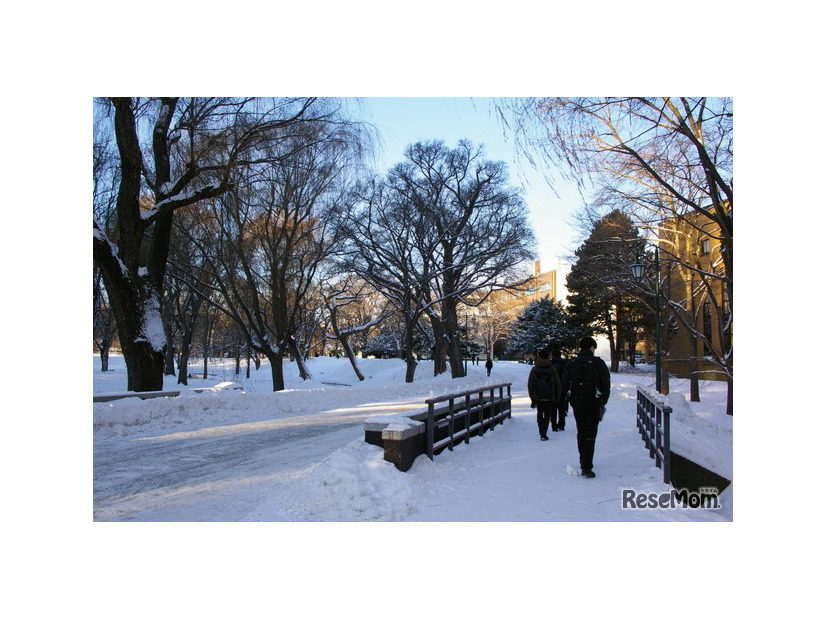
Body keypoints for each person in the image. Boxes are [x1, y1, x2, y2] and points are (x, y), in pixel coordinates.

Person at [561, 336, 611, 478]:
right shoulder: (598, 363)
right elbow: (606, 383)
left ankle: (583, 458)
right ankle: (587, 465)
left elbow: (564, 382)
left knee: (581, 430)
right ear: (592, 348)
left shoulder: (572, 363)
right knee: (591, 433)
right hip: (594, 402)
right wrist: (603, 400)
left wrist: (570, 396)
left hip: (578, 402)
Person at [528, 348, 561, 440]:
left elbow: (530, 384)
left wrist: (532, 397)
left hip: (538, 396)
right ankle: (544, 433)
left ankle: (541, 431)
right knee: (547, 415)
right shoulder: (552, 369)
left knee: (539, 413)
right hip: (550, 396)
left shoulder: (535, 369)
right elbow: (557, 385)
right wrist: (557, 398)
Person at [550, 349, 568, 431]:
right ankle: (562, 424)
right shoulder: (564, 363)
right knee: (562, 407)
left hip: (552, 387)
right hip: (562, 386)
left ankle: (554, 425)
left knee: (553, 407)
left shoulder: (550, 363)